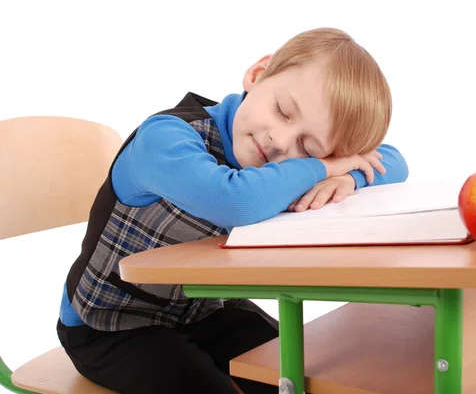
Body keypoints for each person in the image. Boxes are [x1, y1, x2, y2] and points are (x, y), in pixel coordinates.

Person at [56, 27, 409, 394]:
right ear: (258, 75)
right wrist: (322, 165)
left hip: (204, 312)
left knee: (298, 378)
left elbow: (394, 162)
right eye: (283, 111)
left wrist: (351, 177)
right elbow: (233, 200)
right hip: (108, 325)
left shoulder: (282, 164)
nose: (280, 142)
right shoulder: (164, 137)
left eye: (308, 145)